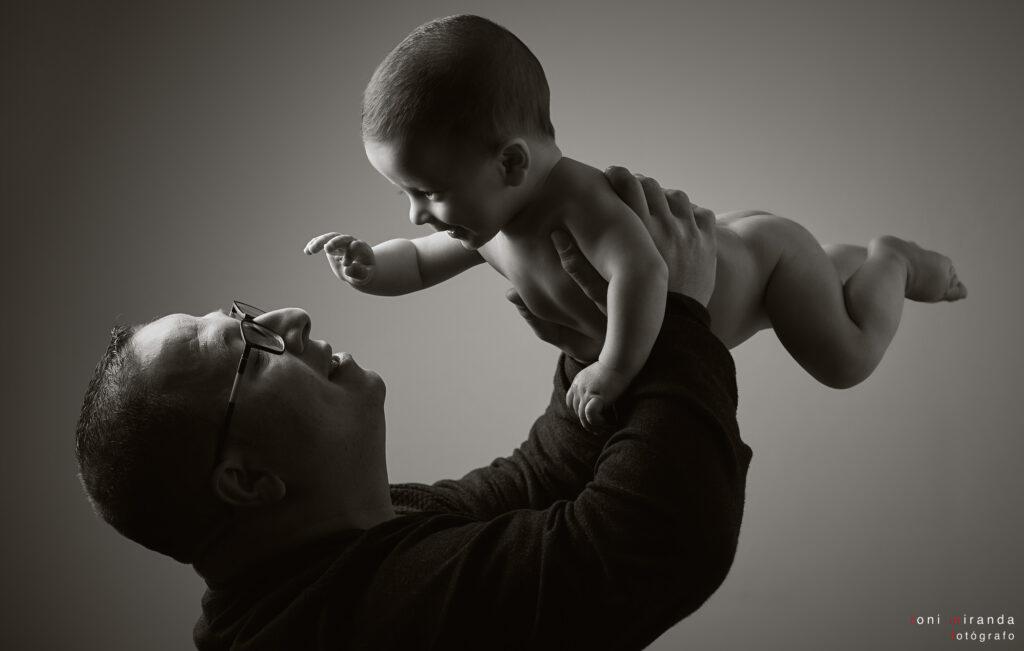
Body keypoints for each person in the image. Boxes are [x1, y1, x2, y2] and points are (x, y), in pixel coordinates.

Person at [76, 171, 752, 650]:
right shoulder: (372, 620)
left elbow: (540, 482)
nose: (292, 318)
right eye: (249, 352)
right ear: (248, 481)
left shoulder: (342, 551)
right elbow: (658, 538)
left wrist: (597, 353)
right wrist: (677, 319)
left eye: (243, 315)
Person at [305, 14, 967, 430]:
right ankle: (842, 261)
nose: (419, 214)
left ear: (510, 163)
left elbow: (645, 273)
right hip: (734, 252)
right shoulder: (487, 226)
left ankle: (892, 259)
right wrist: (369, 267)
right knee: (826, 294)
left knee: (846, 360)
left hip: (766, 267)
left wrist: (616, 369)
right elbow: (417, 262)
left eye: (427, 193)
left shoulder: (578, 201)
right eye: (405, 197)